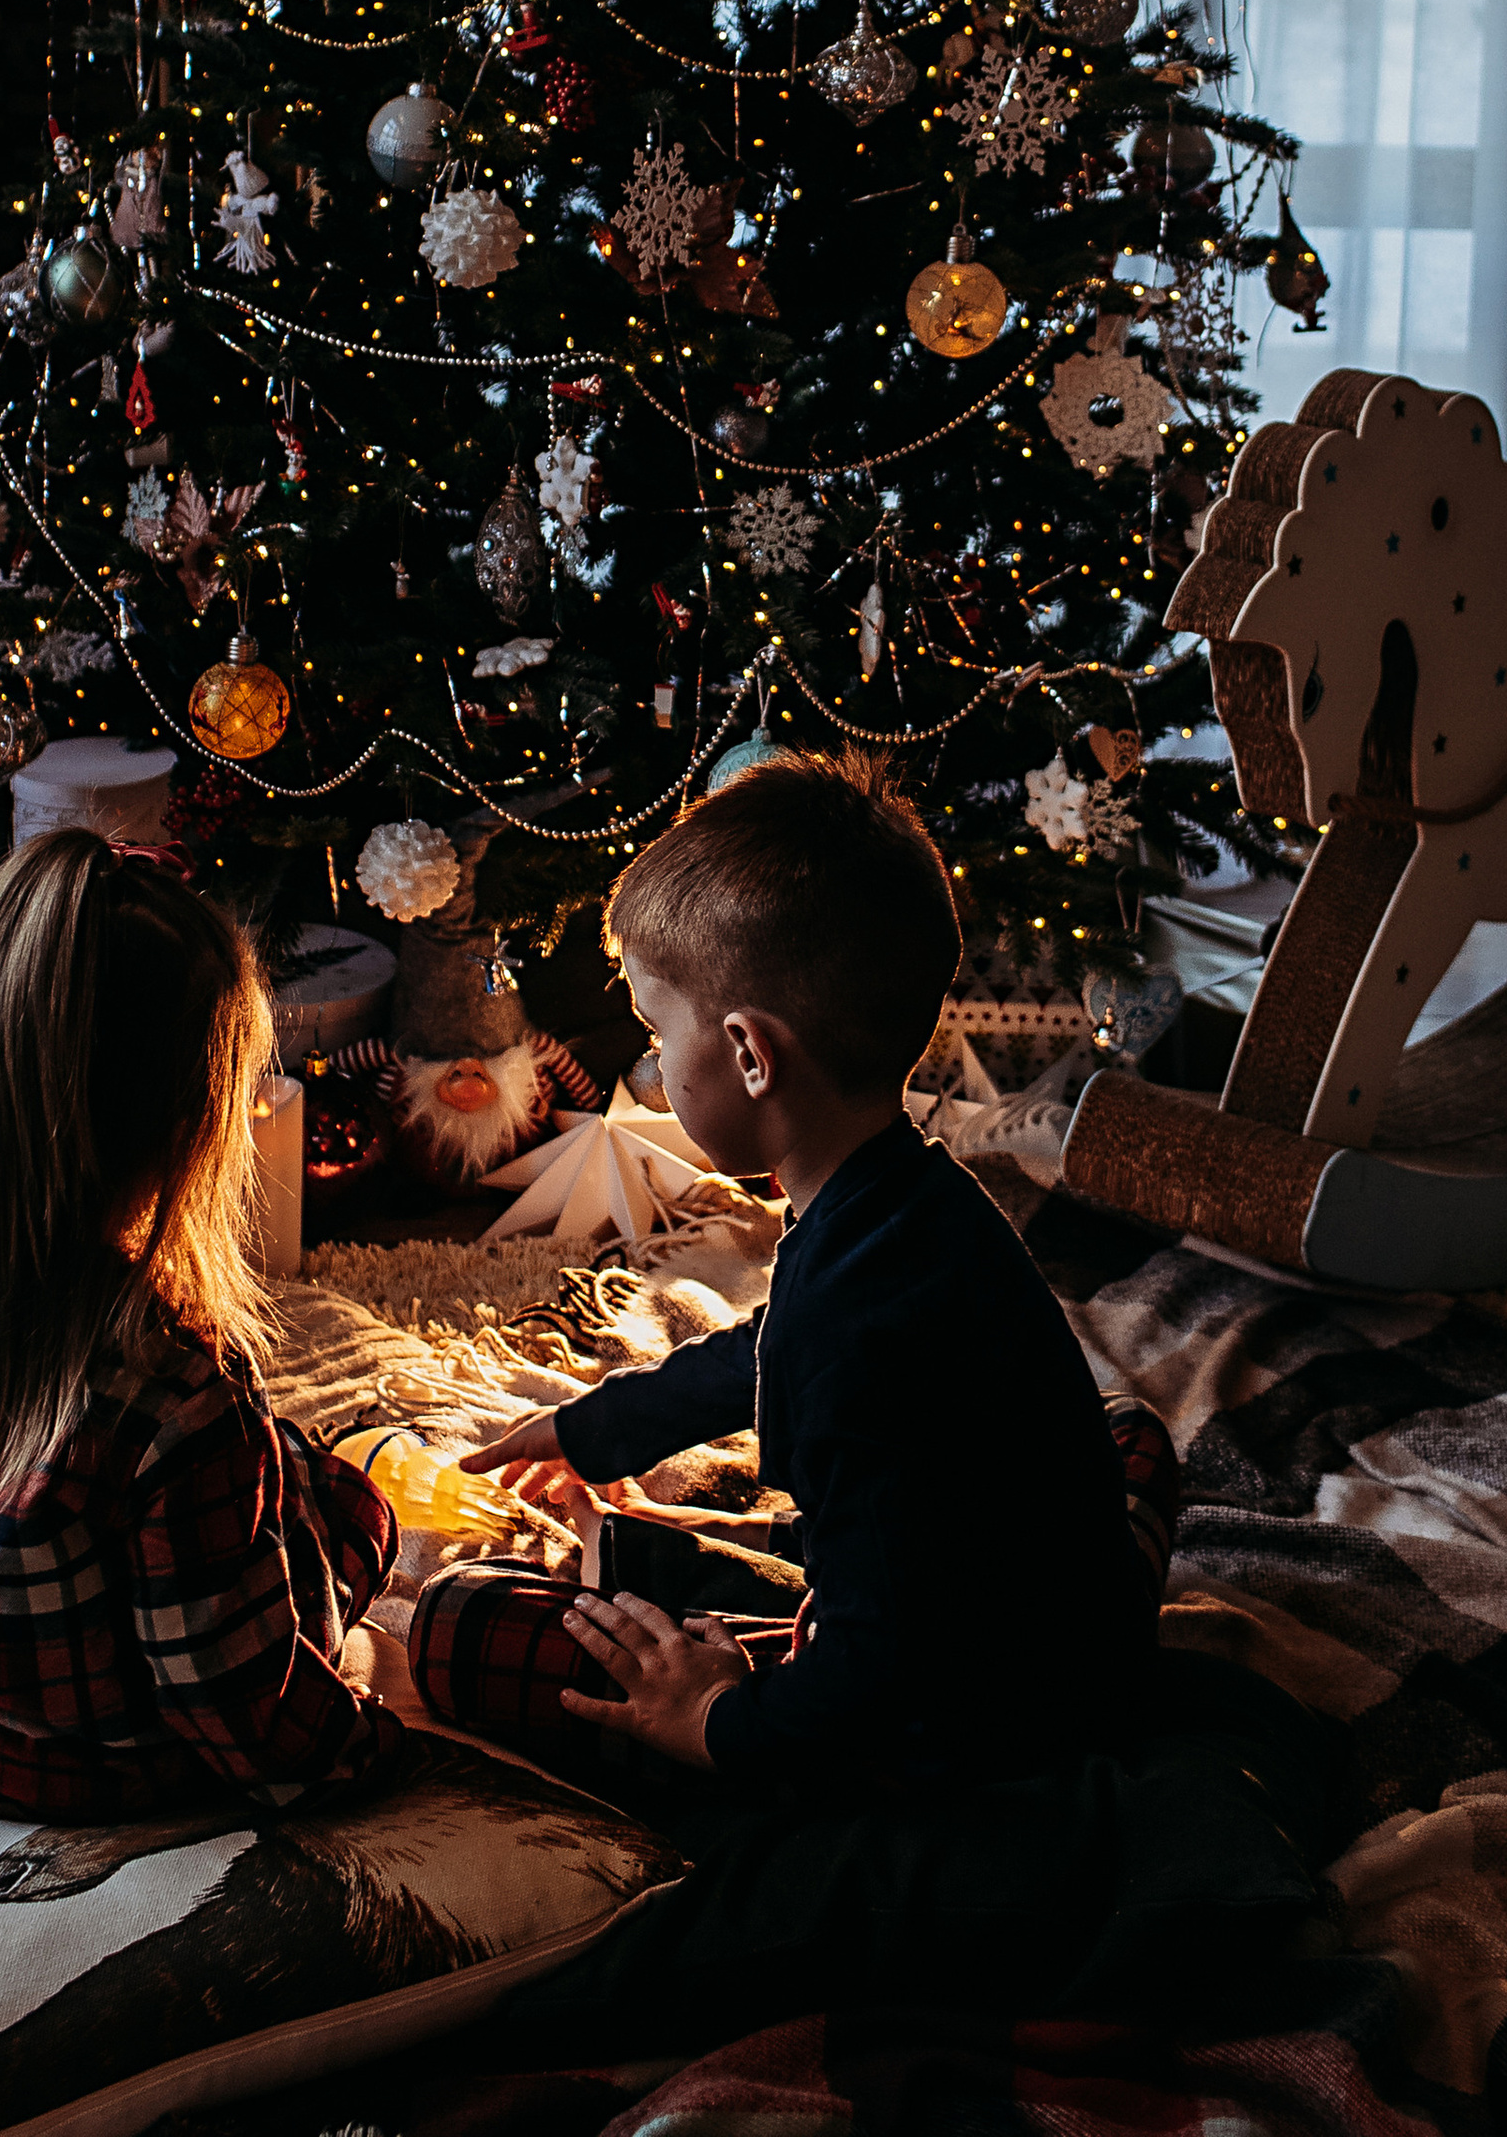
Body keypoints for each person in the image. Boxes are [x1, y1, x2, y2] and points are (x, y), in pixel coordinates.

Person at [422, 754, 1182, 1798]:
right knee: (1118, 1433)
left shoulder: (849, 1339)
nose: (649, 1066)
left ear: (747, 1055)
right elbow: (771, 1343)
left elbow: (874, 1669)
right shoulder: (914, 1203)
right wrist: (596, 1429)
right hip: (1035, 1603)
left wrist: (713, 1717)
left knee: (462, 1630)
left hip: (969, 1732)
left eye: (656, 1030)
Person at [0, 831, 399, 1819]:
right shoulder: (179, 1396)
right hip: (103, 1776)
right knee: (350, 1507)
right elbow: (236, 1716)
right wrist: (372, 1737)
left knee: (283, 1471)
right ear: (198, 1121)